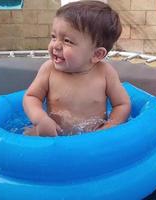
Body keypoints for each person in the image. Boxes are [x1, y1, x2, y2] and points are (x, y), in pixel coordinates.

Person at [23, 0, 131, 136]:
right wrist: (40, 119)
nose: (56, 45)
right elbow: (31, 97)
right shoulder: (49, 70)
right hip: (54, 136)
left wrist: (109, 127)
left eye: (67, 41)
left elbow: (122, 105)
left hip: (90, 140)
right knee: (28, 137)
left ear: (97, 54)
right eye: (53, 37)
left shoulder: (105, 73)